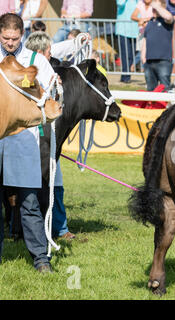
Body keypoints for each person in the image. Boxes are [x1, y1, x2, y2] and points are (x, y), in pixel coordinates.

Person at [0, 13, 57, 272]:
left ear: (22, 35)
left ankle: (40, 258)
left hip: (24, 138)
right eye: (5, 38)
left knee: (29, 201)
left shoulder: (36, 61)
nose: (10, 43)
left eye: (14, 38)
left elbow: (51, 95)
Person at [24, 31, 76, 240]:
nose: (51, 55)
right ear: (39, 53)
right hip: (34, 133)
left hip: (48, 133)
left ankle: (60, 227)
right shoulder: (28, 72)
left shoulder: (46, 68)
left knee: (56, 181)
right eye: (48, 52)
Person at [140, 0, 174, 91]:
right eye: (153, 8)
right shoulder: (149, 23)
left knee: (165, 88)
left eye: (156, 8)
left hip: (163, 61)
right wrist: (143, 56)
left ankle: (167, 105)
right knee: (150, 89)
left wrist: (157, 5)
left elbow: (169, 16)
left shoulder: (166, 21)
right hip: (149, 61)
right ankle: (152, 106)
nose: (154, 10)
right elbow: (145, 40)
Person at [116, 0, 139, 84]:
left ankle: (125, 75)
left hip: (135, 30)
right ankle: (126, 76)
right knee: (125, 54)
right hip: (123, 29)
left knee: (132, 55)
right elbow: (120, 4)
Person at [131, 0, 154, 72]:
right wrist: (141, 19)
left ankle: (143, 68)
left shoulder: (155, 3)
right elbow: (133, 16)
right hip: (142, 31)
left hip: (153, 31)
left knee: (150, 51)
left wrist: (147, 20)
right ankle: (140, 67)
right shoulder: (140, 3)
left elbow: (157, 16)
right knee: (141, 51)